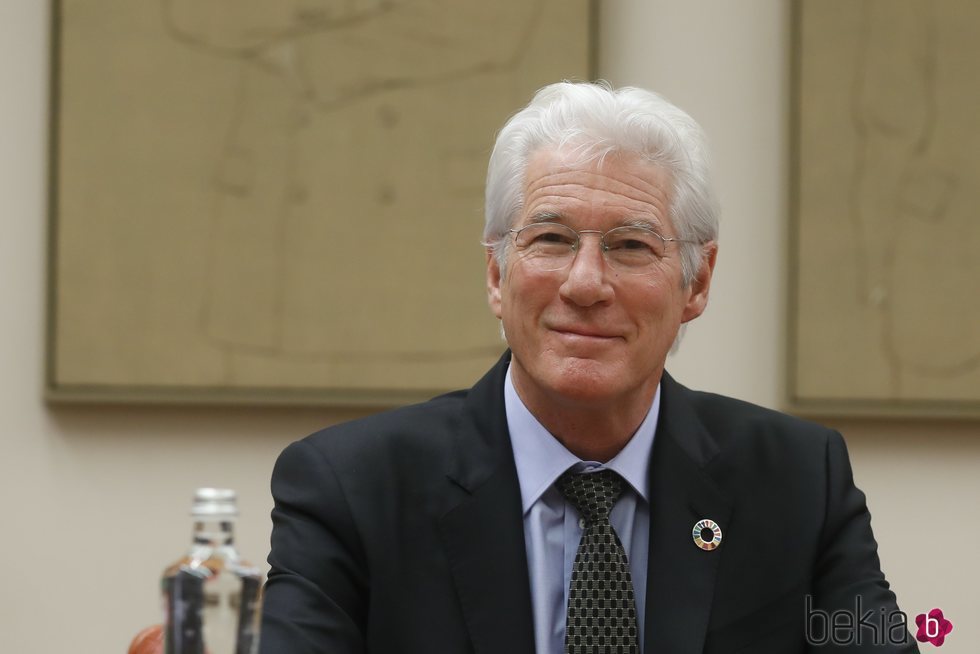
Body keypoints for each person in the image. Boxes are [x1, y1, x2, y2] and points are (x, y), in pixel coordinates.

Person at [260, 81, 916, 653]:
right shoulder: (350, 491)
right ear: (496, 273)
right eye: (551, 239)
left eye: (631, 245)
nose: (585, 283)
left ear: (697, 281)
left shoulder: (800, 482)